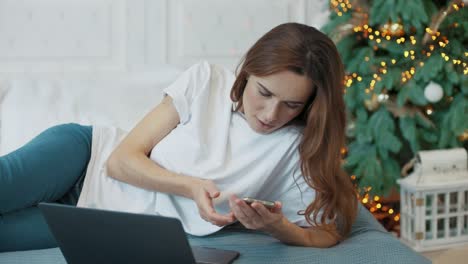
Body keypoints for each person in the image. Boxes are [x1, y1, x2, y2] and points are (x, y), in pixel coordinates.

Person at [0, 22, 358, 252]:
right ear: (247, 73)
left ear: (311, 105)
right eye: (264, 93)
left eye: (291, 105)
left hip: (95, 217)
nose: (270, 115)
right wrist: (189, 186)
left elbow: (327, 232)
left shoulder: (299, 149)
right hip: (82, 158)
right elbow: (121, 161)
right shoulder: (207, 81)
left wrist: (279, 227)